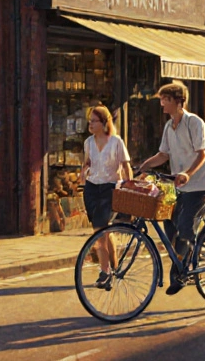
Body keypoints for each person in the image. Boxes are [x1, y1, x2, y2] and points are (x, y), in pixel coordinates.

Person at [135, 80, 205, 296]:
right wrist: (144, 166)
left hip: (200, 185)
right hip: (178, 186)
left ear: (178, 102)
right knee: (169, 222)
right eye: (162, 99)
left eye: (166, 99)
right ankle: (184, 256)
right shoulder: (169, 126)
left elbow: (203, 153)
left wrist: (187, 174)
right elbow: (163, 154)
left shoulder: (194, 123)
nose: (162, 103)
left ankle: (180, 272)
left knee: (185, 226)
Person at [77, 105, 133, 288]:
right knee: (103, 230)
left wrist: (129, 185)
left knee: (99, 232)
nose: (90, 124)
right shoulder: (88, 143)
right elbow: (87, 163)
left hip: (109, 189)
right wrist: (83, 172)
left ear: (104, 122)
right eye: (89, 121)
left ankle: (105, 272)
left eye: (94, 121)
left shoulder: (116, 142)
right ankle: (114, 268)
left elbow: (125, 167)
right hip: (91, 189)